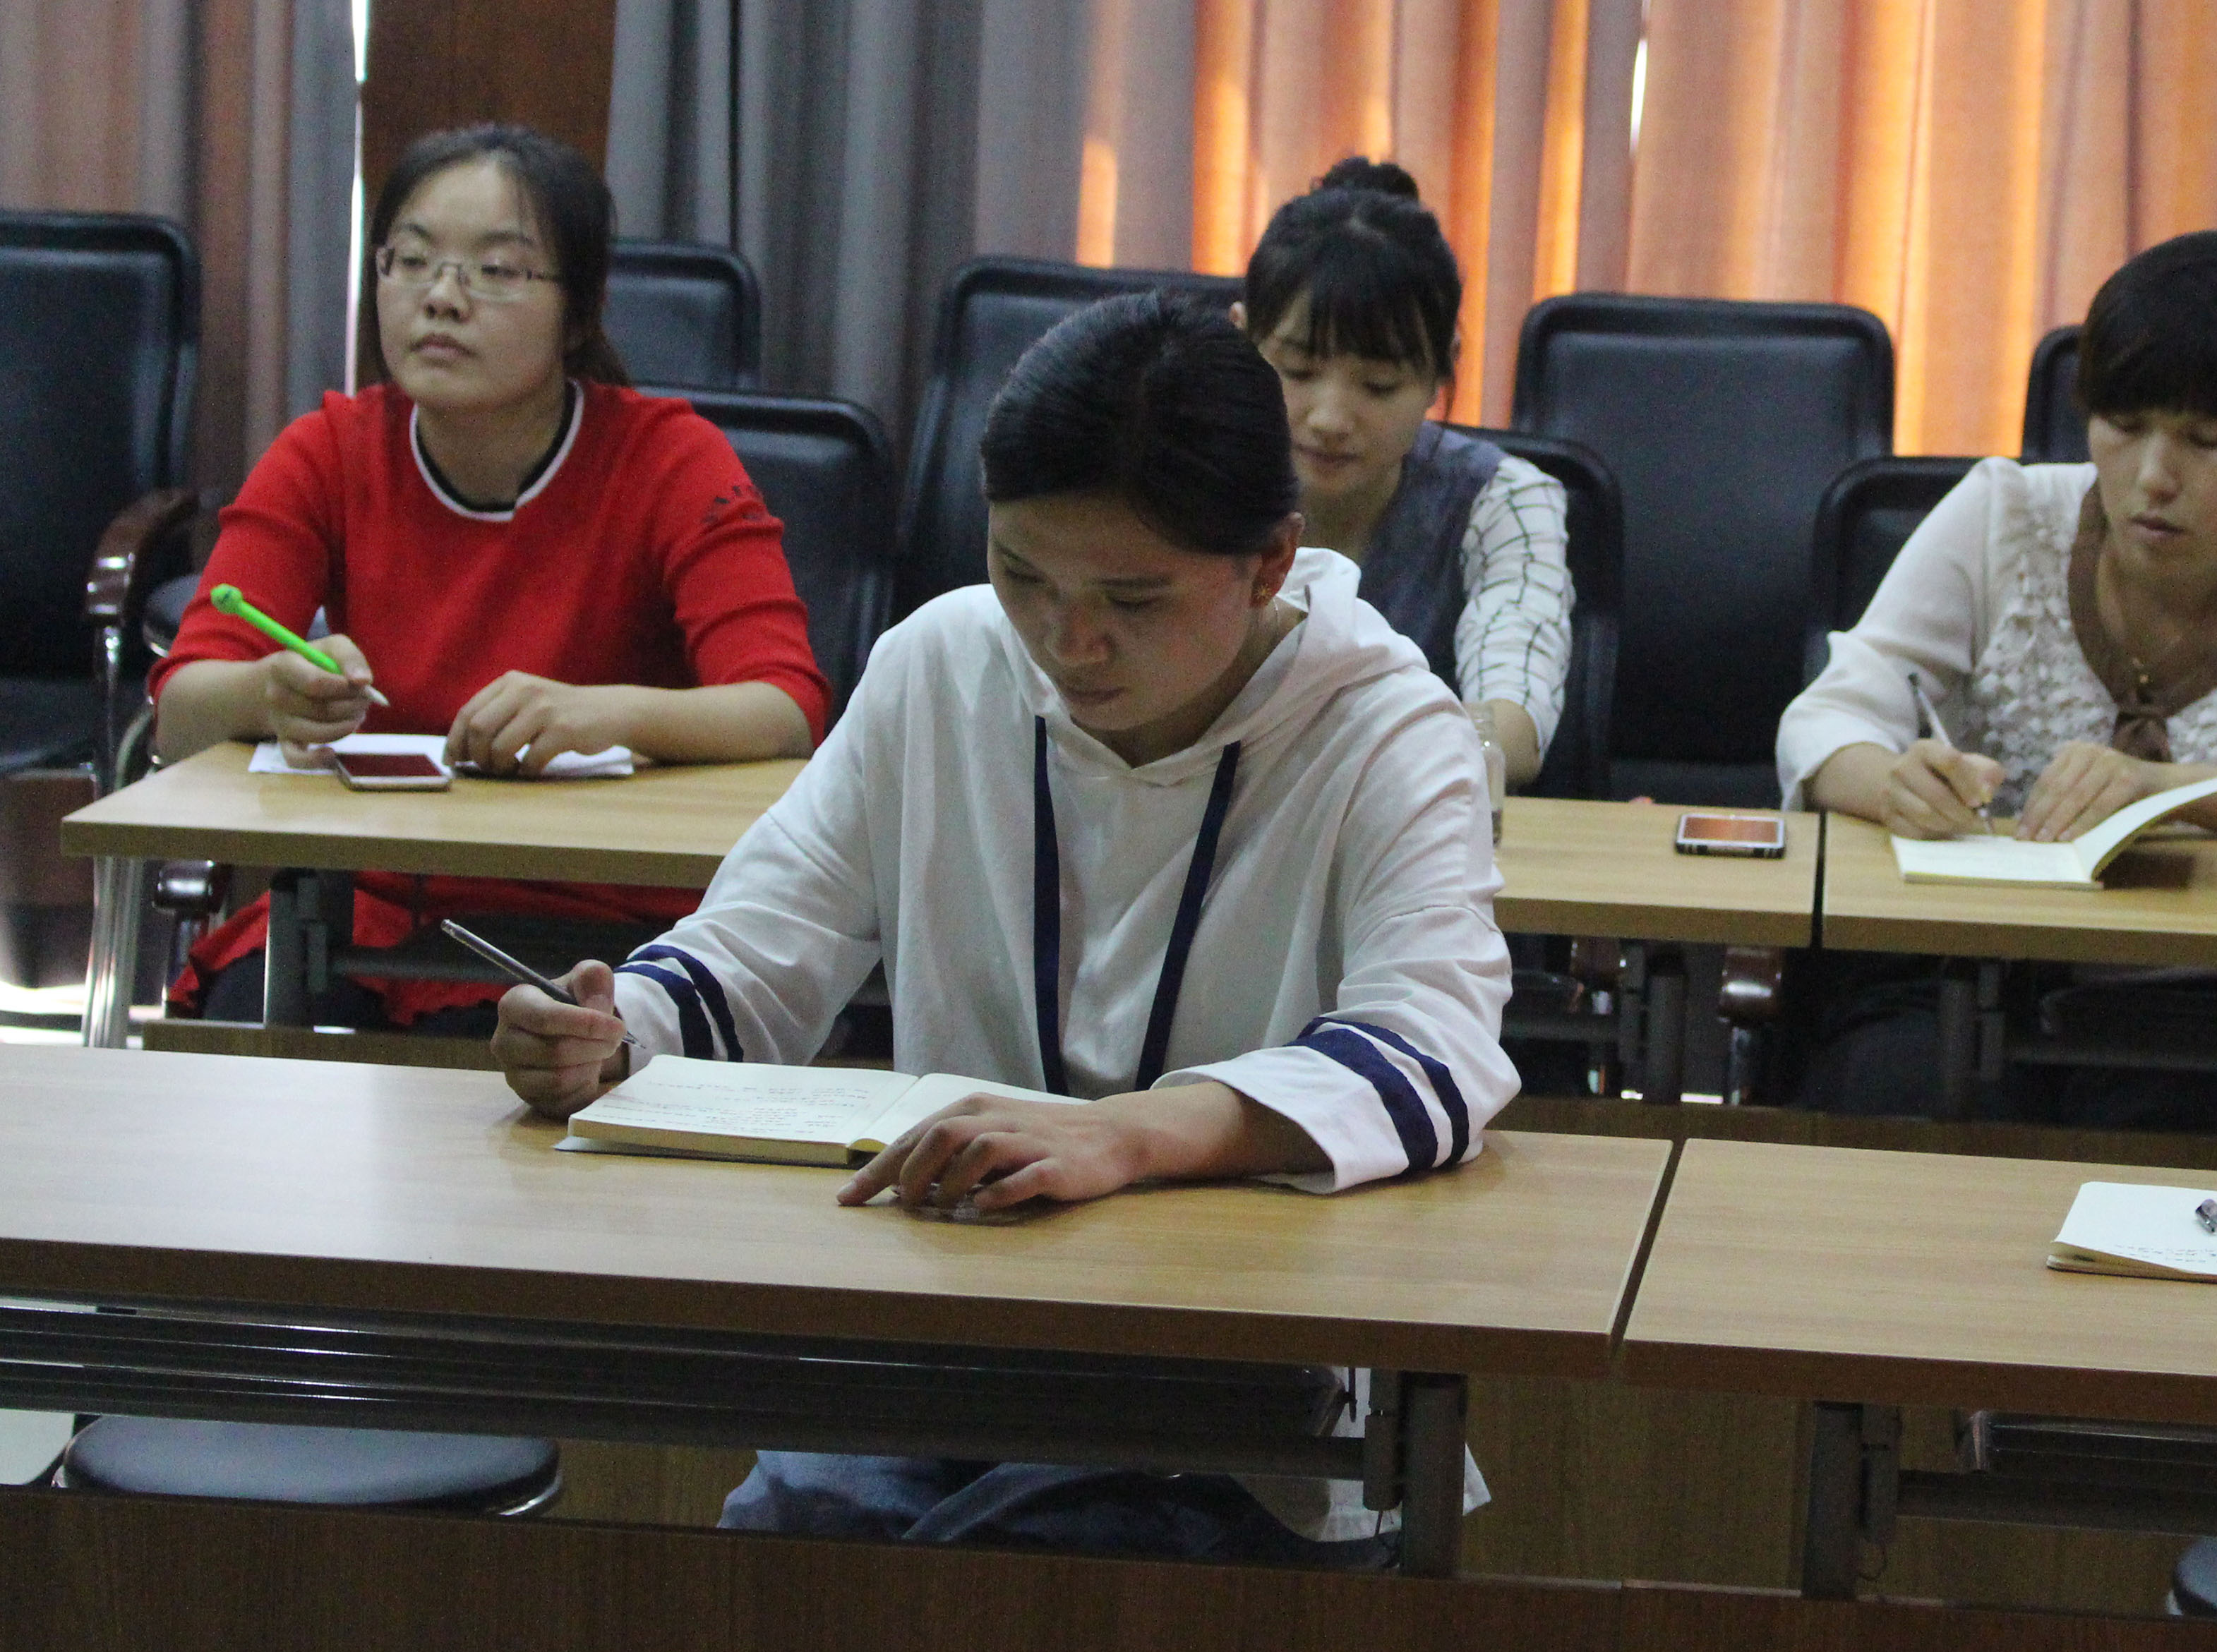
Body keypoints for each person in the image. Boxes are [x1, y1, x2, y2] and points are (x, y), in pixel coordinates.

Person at [491, 289, 1516, 1562]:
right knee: (788, 1544)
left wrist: (1124, 1139)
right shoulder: (942, 663)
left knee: (1000, 1574)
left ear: (1269, 564)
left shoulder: (1391, 730)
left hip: (1243, 1387)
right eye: (1023, 574)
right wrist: (614, 1032)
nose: (1068, 642)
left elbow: (1433, 1055)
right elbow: (757, 946)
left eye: (1133, 601)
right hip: (954, 1328)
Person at [151, 123, 826, 1032]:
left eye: (496, 271)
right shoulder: (328, 451)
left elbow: (785, 708)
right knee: (234, 1033)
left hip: (603, 907)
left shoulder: (669, 458)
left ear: (579, 314)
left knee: (494, 1059)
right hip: (375, 896)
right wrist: (269, 691)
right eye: (410, 261)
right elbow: (180, 710)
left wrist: (607, 715)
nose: (441, 298)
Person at [1772, 231, 2217, 1116]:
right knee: (1900, 1093)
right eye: (2125, 428)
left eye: (2207, 442)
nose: (2154, 478)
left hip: (2216, 999)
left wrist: (2166, 791)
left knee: (2196, 1124)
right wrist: (1894, 782)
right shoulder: (2002, 517)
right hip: (1965, 975)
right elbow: (1826, 720)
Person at [1244, 157, 1572, 786]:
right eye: (1299, 372)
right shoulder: (1184, 480)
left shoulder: (1502, 499)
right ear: (1242, 340)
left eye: (1379, 383)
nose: (1330, 418)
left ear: (1442, 370)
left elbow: (1509, 733)